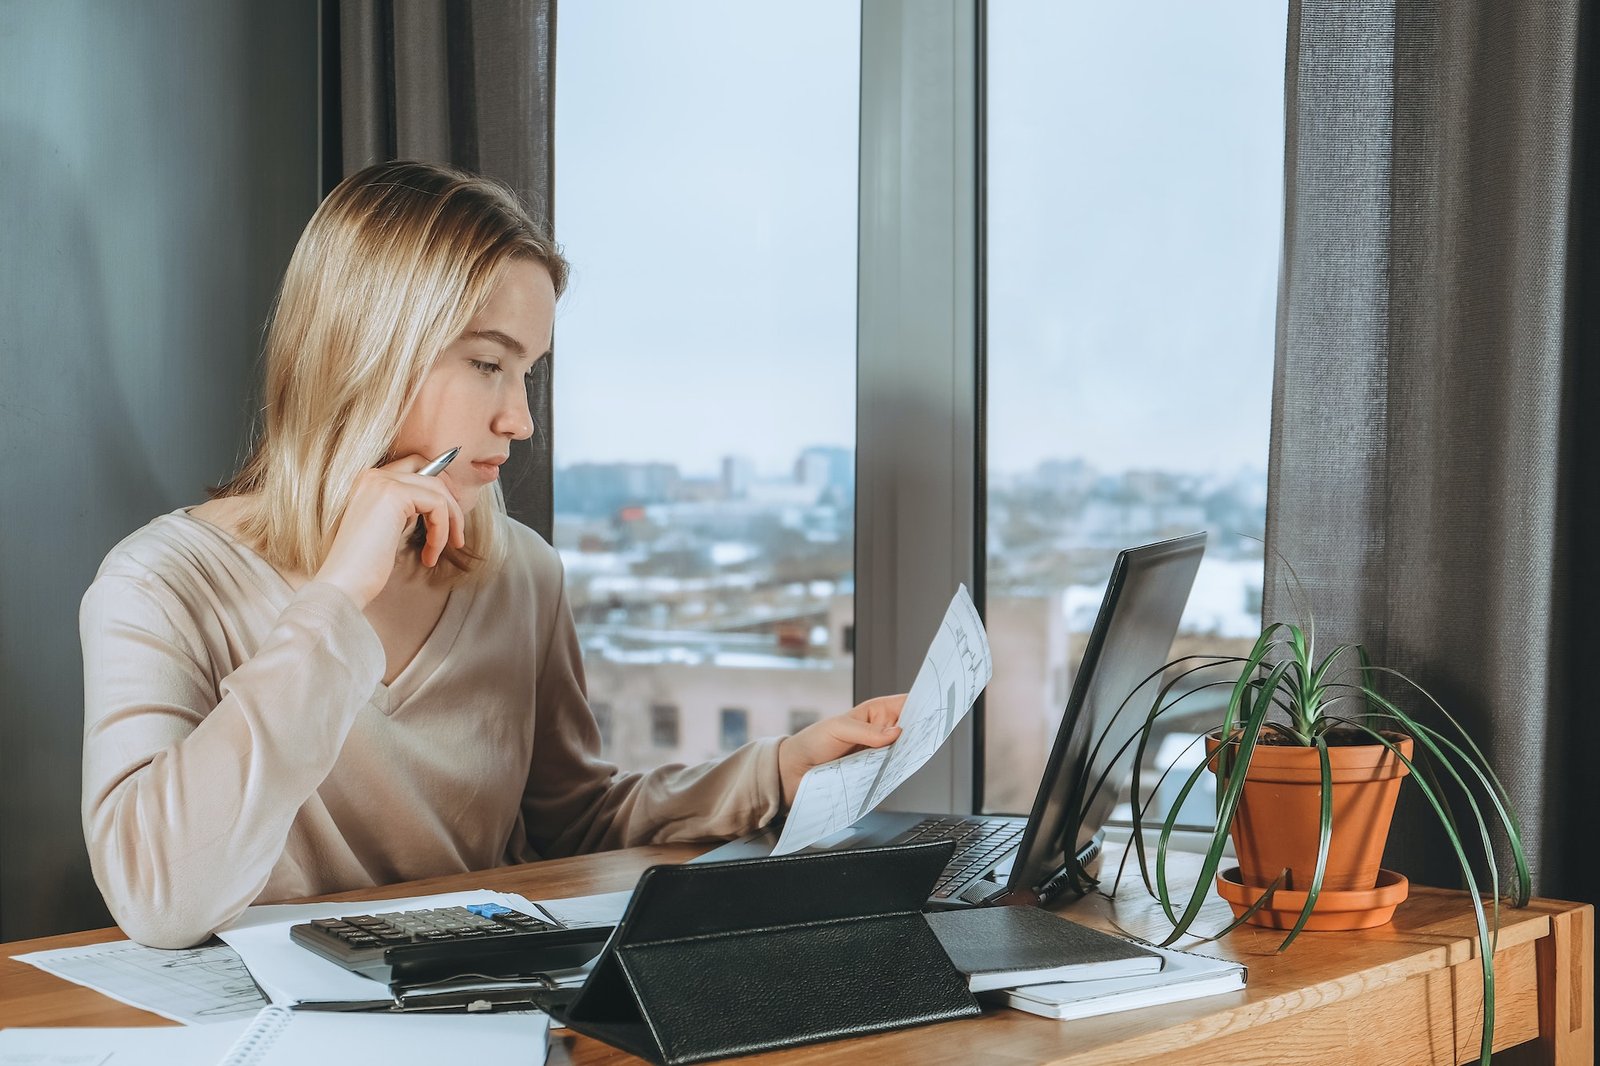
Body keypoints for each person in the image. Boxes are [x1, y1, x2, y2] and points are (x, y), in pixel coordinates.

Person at [79, 160, 904, 949]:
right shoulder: (159, 584)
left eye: (528, 374)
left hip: (484, 1008)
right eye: (486, 364)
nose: (520, 419)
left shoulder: (521, 573)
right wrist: (337, 597)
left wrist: (782, 769)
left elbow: (575, 826)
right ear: (368, 353)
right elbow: (159, 897)